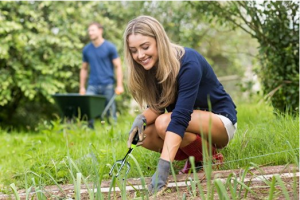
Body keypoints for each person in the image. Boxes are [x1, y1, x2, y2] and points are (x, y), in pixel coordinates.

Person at [124, 16, 237, 196]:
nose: (140, 55)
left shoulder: (187, 62)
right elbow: (159, 106)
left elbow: (179, 118)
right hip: (186, 121)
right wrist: (141, 119)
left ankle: (211, 157)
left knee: (164, 123)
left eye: (145, 47)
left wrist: (163, 170)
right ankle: (196, 159)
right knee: (143, 136)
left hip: (221, 123)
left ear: (159, 41)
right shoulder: (153, 68)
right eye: (133, 50)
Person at [79, 22, 124, 126]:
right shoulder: (86, 50)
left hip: (107, 84)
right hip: (92, 85)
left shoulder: (110, 47)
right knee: (88, 109)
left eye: (93, 30)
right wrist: (82, 87)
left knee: (110, 110)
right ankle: (89, 131)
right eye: (89, 31)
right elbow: (84, 69)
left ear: (100, 31)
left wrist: (120, 85)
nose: (90, 33)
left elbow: (118, 66)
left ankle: (113, 129)